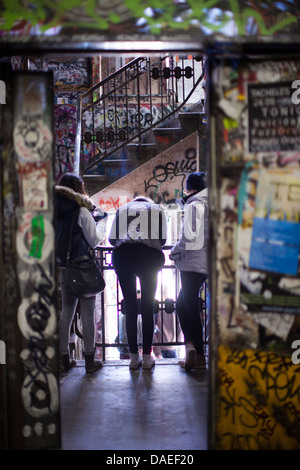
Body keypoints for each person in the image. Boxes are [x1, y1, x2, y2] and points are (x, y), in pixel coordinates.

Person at [55, 172, 107, 373]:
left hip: (61, 265)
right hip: (80, 265)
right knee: (87, 311)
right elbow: (94, 240)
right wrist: (102, 221)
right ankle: (89, 360)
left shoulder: (52, 210)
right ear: (80, 189)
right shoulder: (81, 211)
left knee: (66, 311)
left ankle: (64, 358)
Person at [109, 196, 166, 370]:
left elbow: (112, 240)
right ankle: (148, 357)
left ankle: (134, 357)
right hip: (149, 257)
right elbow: (162, 240)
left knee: (130, 306)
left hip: (124, 256)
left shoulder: (122, 209)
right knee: (148, 306)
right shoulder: (156, 209)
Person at [170, 172, 208, 371]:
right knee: (183, 303)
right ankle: (192, 348)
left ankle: (197, 352)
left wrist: (174, 253)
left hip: (192, 263)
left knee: (189, 307)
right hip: (206, 263)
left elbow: (188, 237)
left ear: (191, 189)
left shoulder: (195, 205)